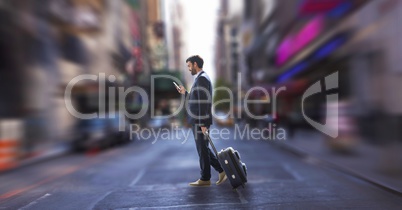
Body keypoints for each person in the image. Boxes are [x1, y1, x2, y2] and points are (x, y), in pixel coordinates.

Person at [176, 55, 227, 187]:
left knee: (202, 149)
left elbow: (203, 103)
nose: (188, 69)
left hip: (200, 121)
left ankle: (205, 178)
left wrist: (203, 123)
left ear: (195, 64)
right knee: (204, 148)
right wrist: (186, 93)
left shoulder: (202, 79)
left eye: (189, 66)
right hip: (198, 120)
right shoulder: (200, 79)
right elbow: (196, 99)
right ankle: (222, 170)